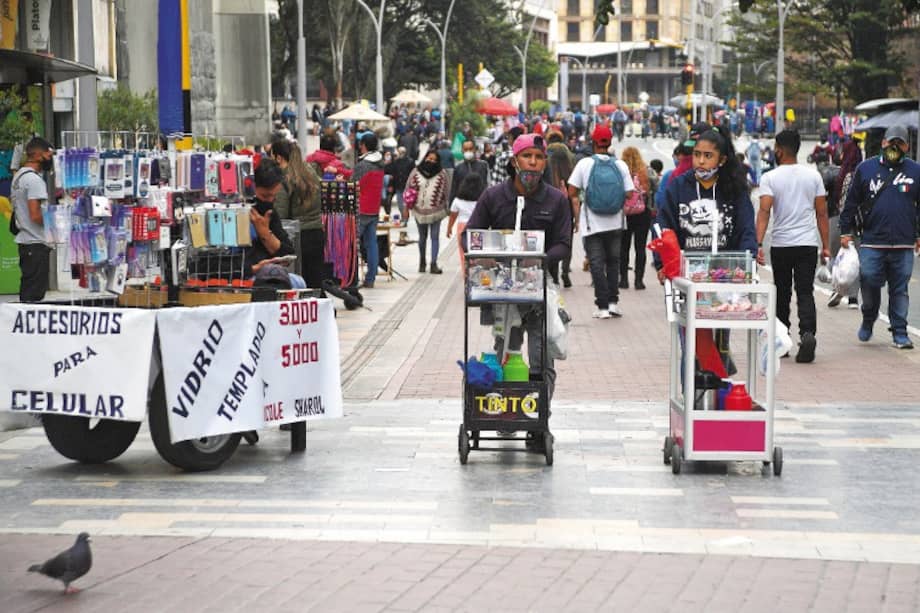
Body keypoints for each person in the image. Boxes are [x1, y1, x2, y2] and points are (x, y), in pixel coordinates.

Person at [465, 133, 573, 406]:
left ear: (544, 163)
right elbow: (471, 235)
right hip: (501, 293)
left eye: (538, 158)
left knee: (542, 358)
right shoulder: (493, 197)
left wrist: (540, 259)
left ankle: (539, 417)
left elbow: (564, 244)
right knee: (504, 354)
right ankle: (503, 412)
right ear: (515, 161)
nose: (532, 163)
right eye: (527, 157)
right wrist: (484, 257)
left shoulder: (556, 200)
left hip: (539, 290)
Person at [839, 125, 920, 349]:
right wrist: (845, 231)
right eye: (891, 142)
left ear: (907, 146)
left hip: (903, 243)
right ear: (883, 143)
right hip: (872, 241)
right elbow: (851, 203)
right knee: (870, 280)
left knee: (899, 289)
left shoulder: (916, 171)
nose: (895, 147)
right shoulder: (865, 169)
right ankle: (869, 316)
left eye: (900, 143)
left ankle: (900, 333)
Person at [756, 130, 829, 363]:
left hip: (781, 244)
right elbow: (822, 213)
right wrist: (826, 246)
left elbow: (765, 211)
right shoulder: (813, 176)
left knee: (782, 292)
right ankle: (807, 334)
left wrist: (757, 243)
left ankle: (782, 339)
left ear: (778, 149)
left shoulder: (770, 178)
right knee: (805, 291)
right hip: (807, 244)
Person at [567, 125, 635, 318]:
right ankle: (613, 303)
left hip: (592, 224)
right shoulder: (620, 165)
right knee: (614, 263)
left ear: (593, 142)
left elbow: (572, 191)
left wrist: (585, 194)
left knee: (596, 264)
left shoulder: (585, 164)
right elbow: (630, 193)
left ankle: (602, 307)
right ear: (610, 142)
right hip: (616, 223)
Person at [270, 139, 325, 290]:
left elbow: (281, 215)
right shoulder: (310, 172)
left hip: (299, 238)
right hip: (317, 232)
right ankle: (325, 311)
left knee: (301, 285)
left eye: (272, 157)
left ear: (279, 158)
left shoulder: (285, 179)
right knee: (316, 284)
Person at [11, 137, 54, 302]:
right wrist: (56, 222)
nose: (50, 160)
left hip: (26, 243)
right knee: (34, 296)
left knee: (28, 290)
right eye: (48, 155)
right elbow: (35, 215)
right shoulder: (34, 180)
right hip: (35, 244)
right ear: (37, 155)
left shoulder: (19, 177)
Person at [245, 159, 296, 277]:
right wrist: (253, 269)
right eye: (265, 195)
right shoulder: (235, 213)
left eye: (274, 195)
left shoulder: (269, 212)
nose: (270, 200)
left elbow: (288, 252)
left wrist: (265, 234)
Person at [826, 139, 862, 308]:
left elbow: (837, 201)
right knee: (855, 261)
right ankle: (853, 299)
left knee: (838, 256)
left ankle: (838, 288)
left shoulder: (838, 175)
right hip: (860, 224)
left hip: (839, 221)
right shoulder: (866, 174)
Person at [405, 150, 450, 273]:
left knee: (434, 237)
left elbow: (446, 192)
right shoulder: (415, 172)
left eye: (434, 160)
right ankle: (422, 262)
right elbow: (408, 188)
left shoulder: (442, 174)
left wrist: (447, 208)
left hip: (437, 212)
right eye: (429, 158)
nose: (431, 161)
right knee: (422, 237)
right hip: (419, 210)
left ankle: (434, 263)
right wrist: (406, 208)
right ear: (425, 158)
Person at [543, 130, 577, 287]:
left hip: (549, 202)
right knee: (566, 238)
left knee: (551, 238)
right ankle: (565, 271)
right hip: (568, 202)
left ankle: (553, 274)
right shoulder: (570, 157)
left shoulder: (545, 156)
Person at [353, 133, 386, 289]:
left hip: (361, 209)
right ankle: (370, 277)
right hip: (374, 209)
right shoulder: (380, 163)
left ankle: (352, 277)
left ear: (364, 145)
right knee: (371, 244)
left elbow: (353, 183)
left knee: (354, 243)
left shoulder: (363, 165)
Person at [619, 146, 653, 290]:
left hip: (624, 214)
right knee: (640, 248)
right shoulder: (645, 171)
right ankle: (639, 281)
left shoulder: (620, 172)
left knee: (623, 248)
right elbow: (650, 191)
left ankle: (624, 280)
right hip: (642, 214)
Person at [447, 173, 485, 270]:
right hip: (478, 226)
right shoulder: (483, 198)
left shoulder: (457, 200)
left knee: (463, 253)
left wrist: (449, 228)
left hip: (462, 227)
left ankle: (466, 275)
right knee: (478, 253)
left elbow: (453, 216)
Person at [385, 146, 416, 245]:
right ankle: (404, 225)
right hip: (398, 187)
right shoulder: (396, 162)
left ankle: (404, 227)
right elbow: (391, 173)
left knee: (404, 208)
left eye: (401, 152)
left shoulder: (410, 162)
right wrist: (390, 185)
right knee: (400, 207)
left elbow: (414, 174)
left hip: (407, 188)